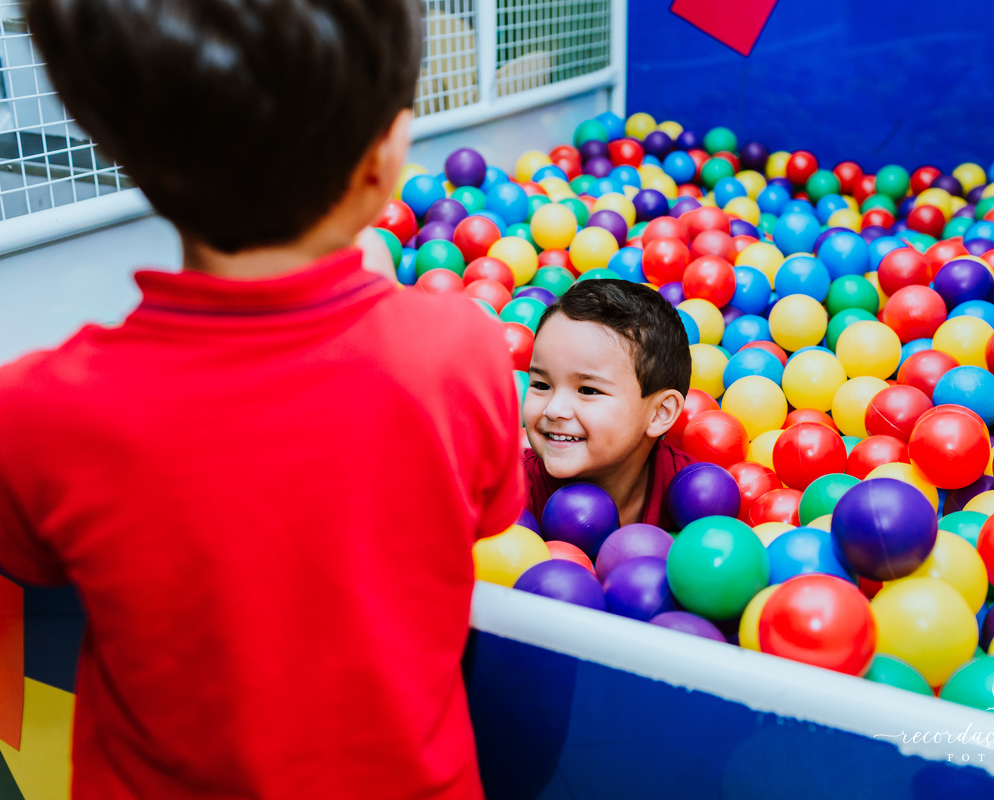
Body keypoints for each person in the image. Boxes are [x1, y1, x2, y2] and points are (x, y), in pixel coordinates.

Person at [1, 1, 523, 798]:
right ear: (386, 159)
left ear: (118, 151)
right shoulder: (461, 349)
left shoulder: (39, 411)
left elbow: (31, 566)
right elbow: (481, 515)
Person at [523, 280, 694, 529]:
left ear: (659, 413)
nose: (553, 409)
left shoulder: (693, 491)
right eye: (541, 385)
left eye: (588, 390)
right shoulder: (506, 497)